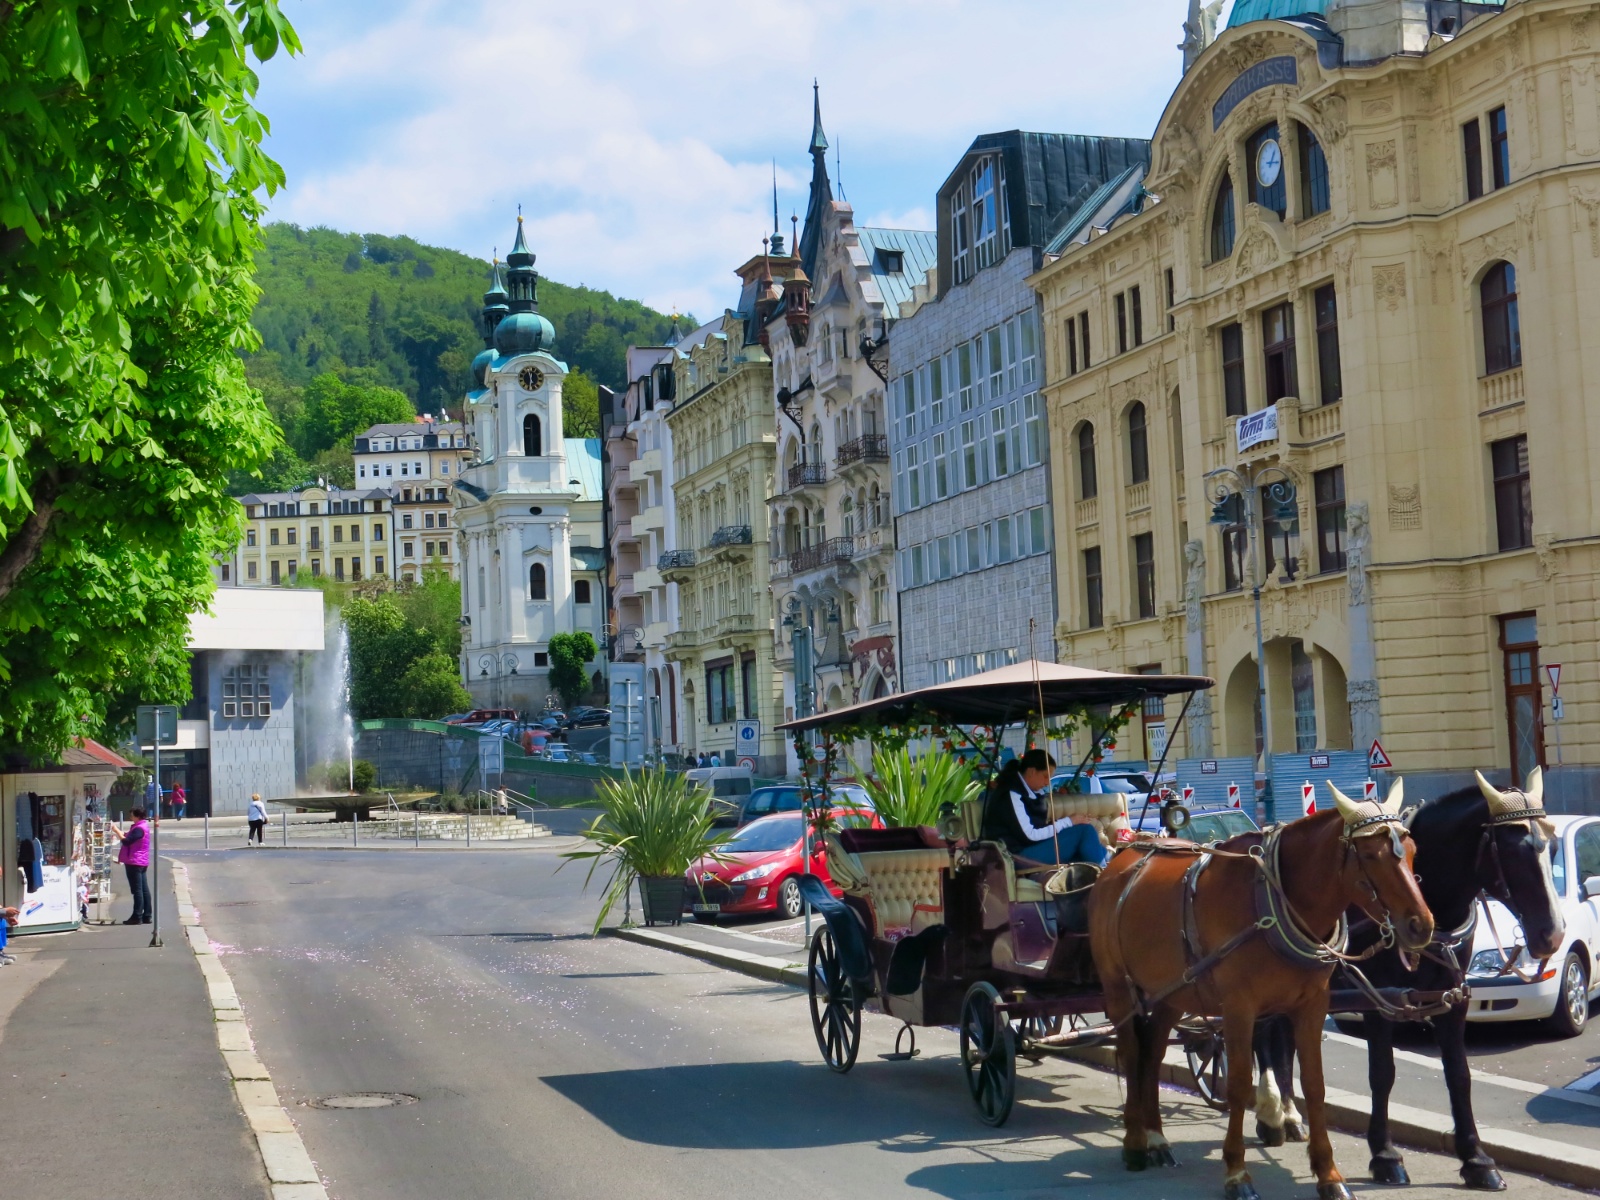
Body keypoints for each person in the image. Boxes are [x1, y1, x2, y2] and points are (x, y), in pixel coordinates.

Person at [981, 749, 1107, 867]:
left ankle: (1106, 872)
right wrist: (1069, 821)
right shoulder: (1011, 794)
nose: (1047, 782)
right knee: (1085, 831)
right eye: (1045, 776)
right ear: (1031, 771)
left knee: (1091, 849)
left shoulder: (1029, 793)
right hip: (1015, 856)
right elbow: (1030, 835)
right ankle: (1107, 879)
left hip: (1031, 849)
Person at [109, 807, 153, 924]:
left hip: (135, 861)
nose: (130, 818)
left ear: (137, 816)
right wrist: (117, 831)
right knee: (143, 889)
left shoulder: (139, 829)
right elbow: (127, 836)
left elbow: (127, 841)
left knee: (137, 890)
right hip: (141, 861)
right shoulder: (142, 827)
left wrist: (116, 830)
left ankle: (137, 916)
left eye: (132, 815)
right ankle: (147, 915)